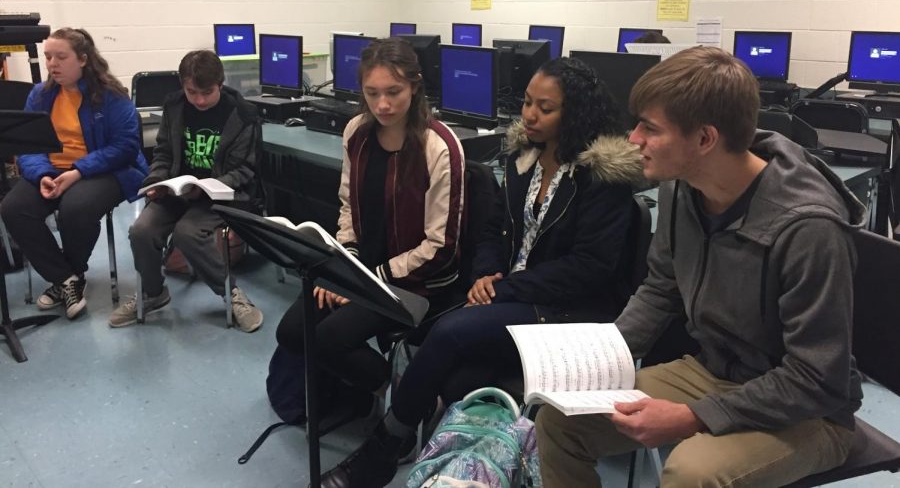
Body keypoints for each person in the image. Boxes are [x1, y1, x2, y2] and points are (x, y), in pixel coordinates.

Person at [536, 46, 865, 487]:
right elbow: (660, 288)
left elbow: (816, 378)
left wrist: (694, 416)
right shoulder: (681, 188)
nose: (633, 139)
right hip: (713, 371)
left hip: (809, 409)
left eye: (650, 129)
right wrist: (595, 359)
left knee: (692, 472)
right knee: (559, 421)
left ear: (705, 139)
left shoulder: (808, 229)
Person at [318, 57, 645, 488]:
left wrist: (506, 286)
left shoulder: (600, 177)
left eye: (545, 108)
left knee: (450, 333)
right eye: (527, 102)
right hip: (511, 293)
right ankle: (460, 464)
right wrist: (487, 271)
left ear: (576, 113)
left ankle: (385, 448)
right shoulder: (522, 157)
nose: (529, 114)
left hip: (565, 310)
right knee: (456, 377)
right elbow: (493, 229)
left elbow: (590, 269)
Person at [274, 38, 465, 420]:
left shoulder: (438, 146)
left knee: (328, 340)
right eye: (372, 93)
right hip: (363, 270)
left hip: (412, 282)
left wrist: (370, 280)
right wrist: (345, 265)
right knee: (293, 332)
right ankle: (378, 391)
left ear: (415, 86)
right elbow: (348, 208)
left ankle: (407, 405)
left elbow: (440, 246)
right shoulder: (357, 133)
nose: (382, 105)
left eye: (394, 92)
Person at [108, 50, 264, 332]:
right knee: (141, 231)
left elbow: (244, 170)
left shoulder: (243, 114)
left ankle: (232, 295)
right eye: (192, 92)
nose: (200, 100)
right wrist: (156, 180)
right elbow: (164, 152)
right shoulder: (175, 106)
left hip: (221, 194)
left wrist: (204, 191)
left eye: (207, 92)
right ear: (182, 86)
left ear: (221, 82)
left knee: (187, 233)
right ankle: (153, 293)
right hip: (177, 191)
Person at [1, 27, 148, 319]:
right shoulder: (41, 96)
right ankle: (66, 279)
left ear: (82, 59)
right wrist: (42, 173)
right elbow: (28, 146)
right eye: (48, 57)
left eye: (60, 57)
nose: (52, 64)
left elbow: (125, 147)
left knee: (75, 207)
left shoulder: (112, 97)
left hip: (105, 170)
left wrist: (78, 171)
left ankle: (72, 273)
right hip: (52, 169)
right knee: (13, 208)